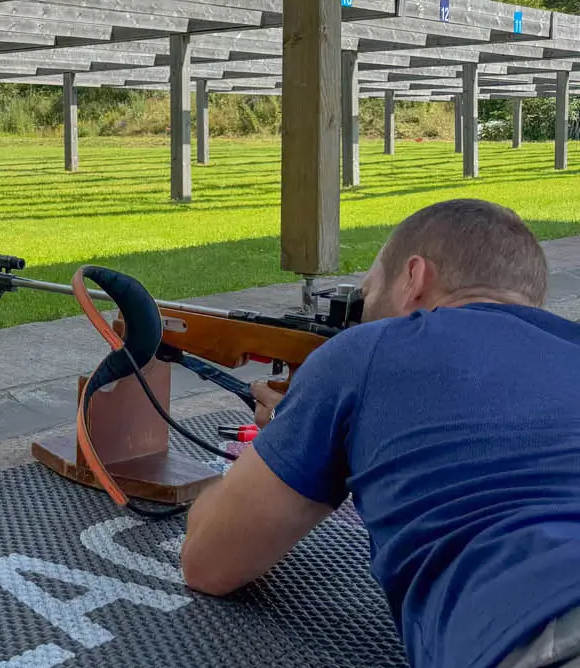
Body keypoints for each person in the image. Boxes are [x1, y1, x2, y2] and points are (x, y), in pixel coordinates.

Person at [179, 199, 580, 668]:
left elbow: (208, 561)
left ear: (413, 277)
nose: (362, 311)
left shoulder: (367, 350)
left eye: (367, 294)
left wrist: (293, 436)